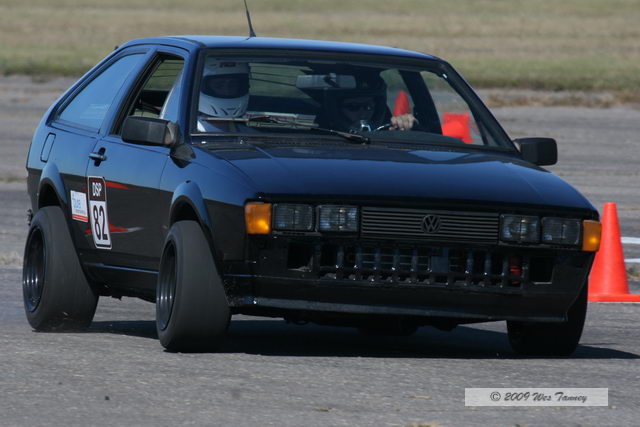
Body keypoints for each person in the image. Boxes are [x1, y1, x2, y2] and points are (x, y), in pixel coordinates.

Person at [196, 59, 252, 133]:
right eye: (218, 85)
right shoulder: (187, 132)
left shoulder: (248, 134)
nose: (227, 91)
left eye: (233, 85)